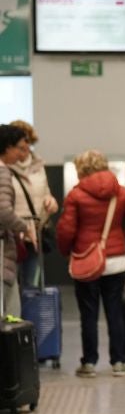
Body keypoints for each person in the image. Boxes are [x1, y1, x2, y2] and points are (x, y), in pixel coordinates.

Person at [56, 149, 125, 378]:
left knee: (88, 314)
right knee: (115, 312)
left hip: (87, 261)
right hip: (116, 261)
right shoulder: (121, 193)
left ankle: (89, 363)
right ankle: (118, 362)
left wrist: (67, 252)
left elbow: (66, 230)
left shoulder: (76, 195)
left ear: (82, 169)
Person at [8, 120, 59, 288]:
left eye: (28, 144)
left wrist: (51, 201)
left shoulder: (39, 166)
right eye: (20, 146)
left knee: (31, 284)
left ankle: (27, 313)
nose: (25, 150)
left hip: (36, 233)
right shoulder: (4, 168)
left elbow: (46, 192)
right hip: (14, 234)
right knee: (11, 284)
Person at [0, 125, 35, 317]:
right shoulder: (3, 172)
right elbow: (4, 211)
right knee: (11, 316)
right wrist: (25, 227)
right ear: (7, 147)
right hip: (3, 254)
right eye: (19, 147)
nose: (22, 152)